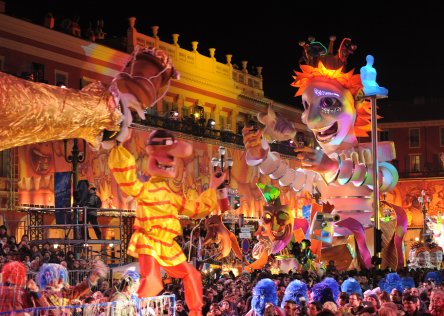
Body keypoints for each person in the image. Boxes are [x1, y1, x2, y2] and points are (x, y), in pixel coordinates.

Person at [242, 37, 399, 270]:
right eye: (307, 106)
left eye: (328, 104)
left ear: (355, 108)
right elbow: (292, 178)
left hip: (367, 234)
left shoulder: (367, 152)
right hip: (329, 233)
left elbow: (386, 177)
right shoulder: (319, 166)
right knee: (318, 259)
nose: (311, 119)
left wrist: (334, 168)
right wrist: (262, 154)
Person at [108, 128, 226, 316]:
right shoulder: (145, 189)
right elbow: (127, 179)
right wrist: (119, 145)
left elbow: (197, 209)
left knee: (192, 274)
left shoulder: (172, 197)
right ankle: (129, 310)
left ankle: (195, 313)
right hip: (148, 240)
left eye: (172, 157)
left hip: (167, 244)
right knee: (153, 281)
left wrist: (212, 186)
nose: (169, 161)